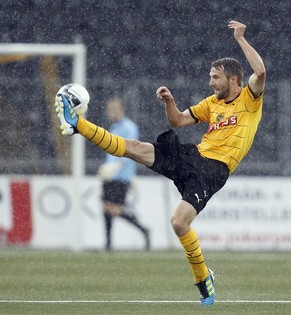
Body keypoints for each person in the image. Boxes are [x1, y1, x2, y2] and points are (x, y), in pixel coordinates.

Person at [55, 20, 266, 306]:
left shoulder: (249, 100)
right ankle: (77, 124)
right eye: (210, 76)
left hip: (214, 170)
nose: (210, 82)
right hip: (194, 156)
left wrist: (240, 38)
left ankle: (204, 277)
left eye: (215, 77)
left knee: (179, 223)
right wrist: (170, 102)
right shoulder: (211, 103)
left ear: (233, 80)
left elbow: (261, 71)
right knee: (136, 149)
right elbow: (178, 120)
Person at [98, 97, 150, 251]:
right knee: (105, 207)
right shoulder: (114, 127)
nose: (110, 112)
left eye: (113, 108)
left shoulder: (129, 127)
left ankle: (143, 230)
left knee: (115, 209)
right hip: (109, 175)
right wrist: (106, 168)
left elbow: (131, 149)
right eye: (109, 109)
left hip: (121, 176)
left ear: (121, 109)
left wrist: (116, 167)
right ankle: (108, 244)